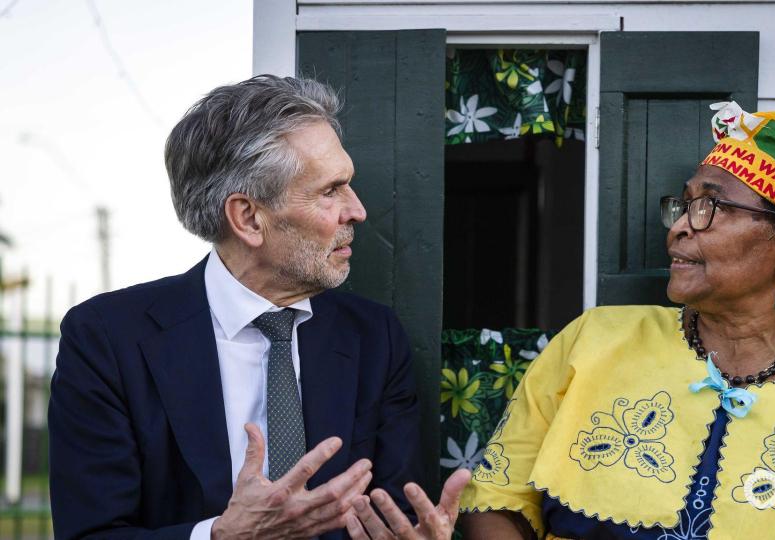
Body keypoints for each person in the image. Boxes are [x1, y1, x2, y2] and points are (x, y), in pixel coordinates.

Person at [457, 102, 775, 539]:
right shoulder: (595, 340)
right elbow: (496, 501)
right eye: (685, 205)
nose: (681, 226)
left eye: (711, 207)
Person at [48, 75, 468, 540]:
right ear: (248, 217)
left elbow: (393, 515)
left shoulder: (374, 338)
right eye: (331, 191)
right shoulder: (107, 337)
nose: (357, 210)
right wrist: (223, 536)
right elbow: (90, 534)